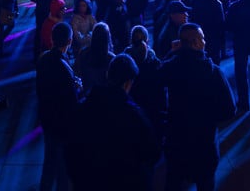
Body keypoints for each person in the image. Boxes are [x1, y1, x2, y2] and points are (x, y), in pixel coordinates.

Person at [159, 23, 236, 191]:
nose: (205, 41)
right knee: (205, 183)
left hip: (176, 139)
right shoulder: (213, 72)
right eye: (202, 38)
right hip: (204, 142)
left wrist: (172, 53)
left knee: (173, 182)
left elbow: (157, 75)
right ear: (195, 43)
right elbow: (229, 109)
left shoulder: (171, 67)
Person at [66, 54, 160, 191]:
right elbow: (152, 152)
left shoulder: (84, 108)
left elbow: (70, 148)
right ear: (128, 83)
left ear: (108, 75)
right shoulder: (133, 114)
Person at [36, 22, 81, 191]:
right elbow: (71, 100)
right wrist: (76, 87)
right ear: (69, 41)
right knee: (62, 166)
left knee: (49, 162)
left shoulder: (44, 59)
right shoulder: (64, 67)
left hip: (47, 118)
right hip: (61, 123)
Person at [75, 22, 115, 95]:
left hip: (87, 97)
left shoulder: (83, 53)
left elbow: (79, 73)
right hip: (104, 98)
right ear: (107, 37)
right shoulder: (111, 58)